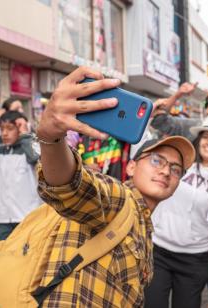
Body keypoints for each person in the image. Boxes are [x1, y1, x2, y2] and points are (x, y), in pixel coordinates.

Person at [15, 67, 195, 306]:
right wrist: (51, 137)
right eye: (156, 160)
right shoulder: (119, 199)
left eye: (175, 169)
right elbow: (70, 186)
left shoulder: (146, 228)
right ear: (131, 167)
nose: (165, 171)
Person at [145, 113, 208, 308]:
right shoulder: (179, 165)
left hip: (193, 259)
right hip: (158, 253)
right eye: (206, 136)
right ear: (198, 139)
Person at [0, 111, 40, 241]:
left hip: (27, 216)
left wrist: (25, 135)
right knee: (2, 256)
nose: (5, 133)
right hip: (3, 217)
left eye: (10, 129)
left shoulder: (31, 147)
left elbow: (35, 158)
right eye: (2, 129)